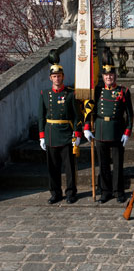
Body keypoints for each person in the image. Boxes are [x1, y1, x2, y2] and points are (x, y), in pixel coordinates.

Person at [84, 51, 133, 204]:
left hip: (117, 130)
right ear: (103, 77)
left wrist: (127, 132)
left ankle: (119, 191)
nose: (109, 77)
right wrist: (86, 127)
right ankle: (105, 191)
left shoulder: (123, 91)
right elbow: (89, 109)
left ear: (115, 76)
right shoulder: (97, 91)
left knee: (118, 164)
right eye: (106, 75)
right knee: (103, 164)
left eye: (111, 75)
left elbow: (130, 115)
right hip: (100, 130)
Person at [38, 49, 82, 204]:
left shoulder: (70, 94)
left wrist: (77, 134)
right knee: (53, 167)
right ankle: (55, 192)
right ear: (51, 78)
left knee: (69, 167)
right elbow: (41, 116)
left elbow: (77, 116)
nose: (57, 78)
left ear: (63, 77)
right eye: (54, 76)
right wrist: (41, 136)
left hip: (66, 134)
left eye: (59, 76)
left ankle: (71, 192)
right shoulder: (45, 94)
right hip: (50, 134)